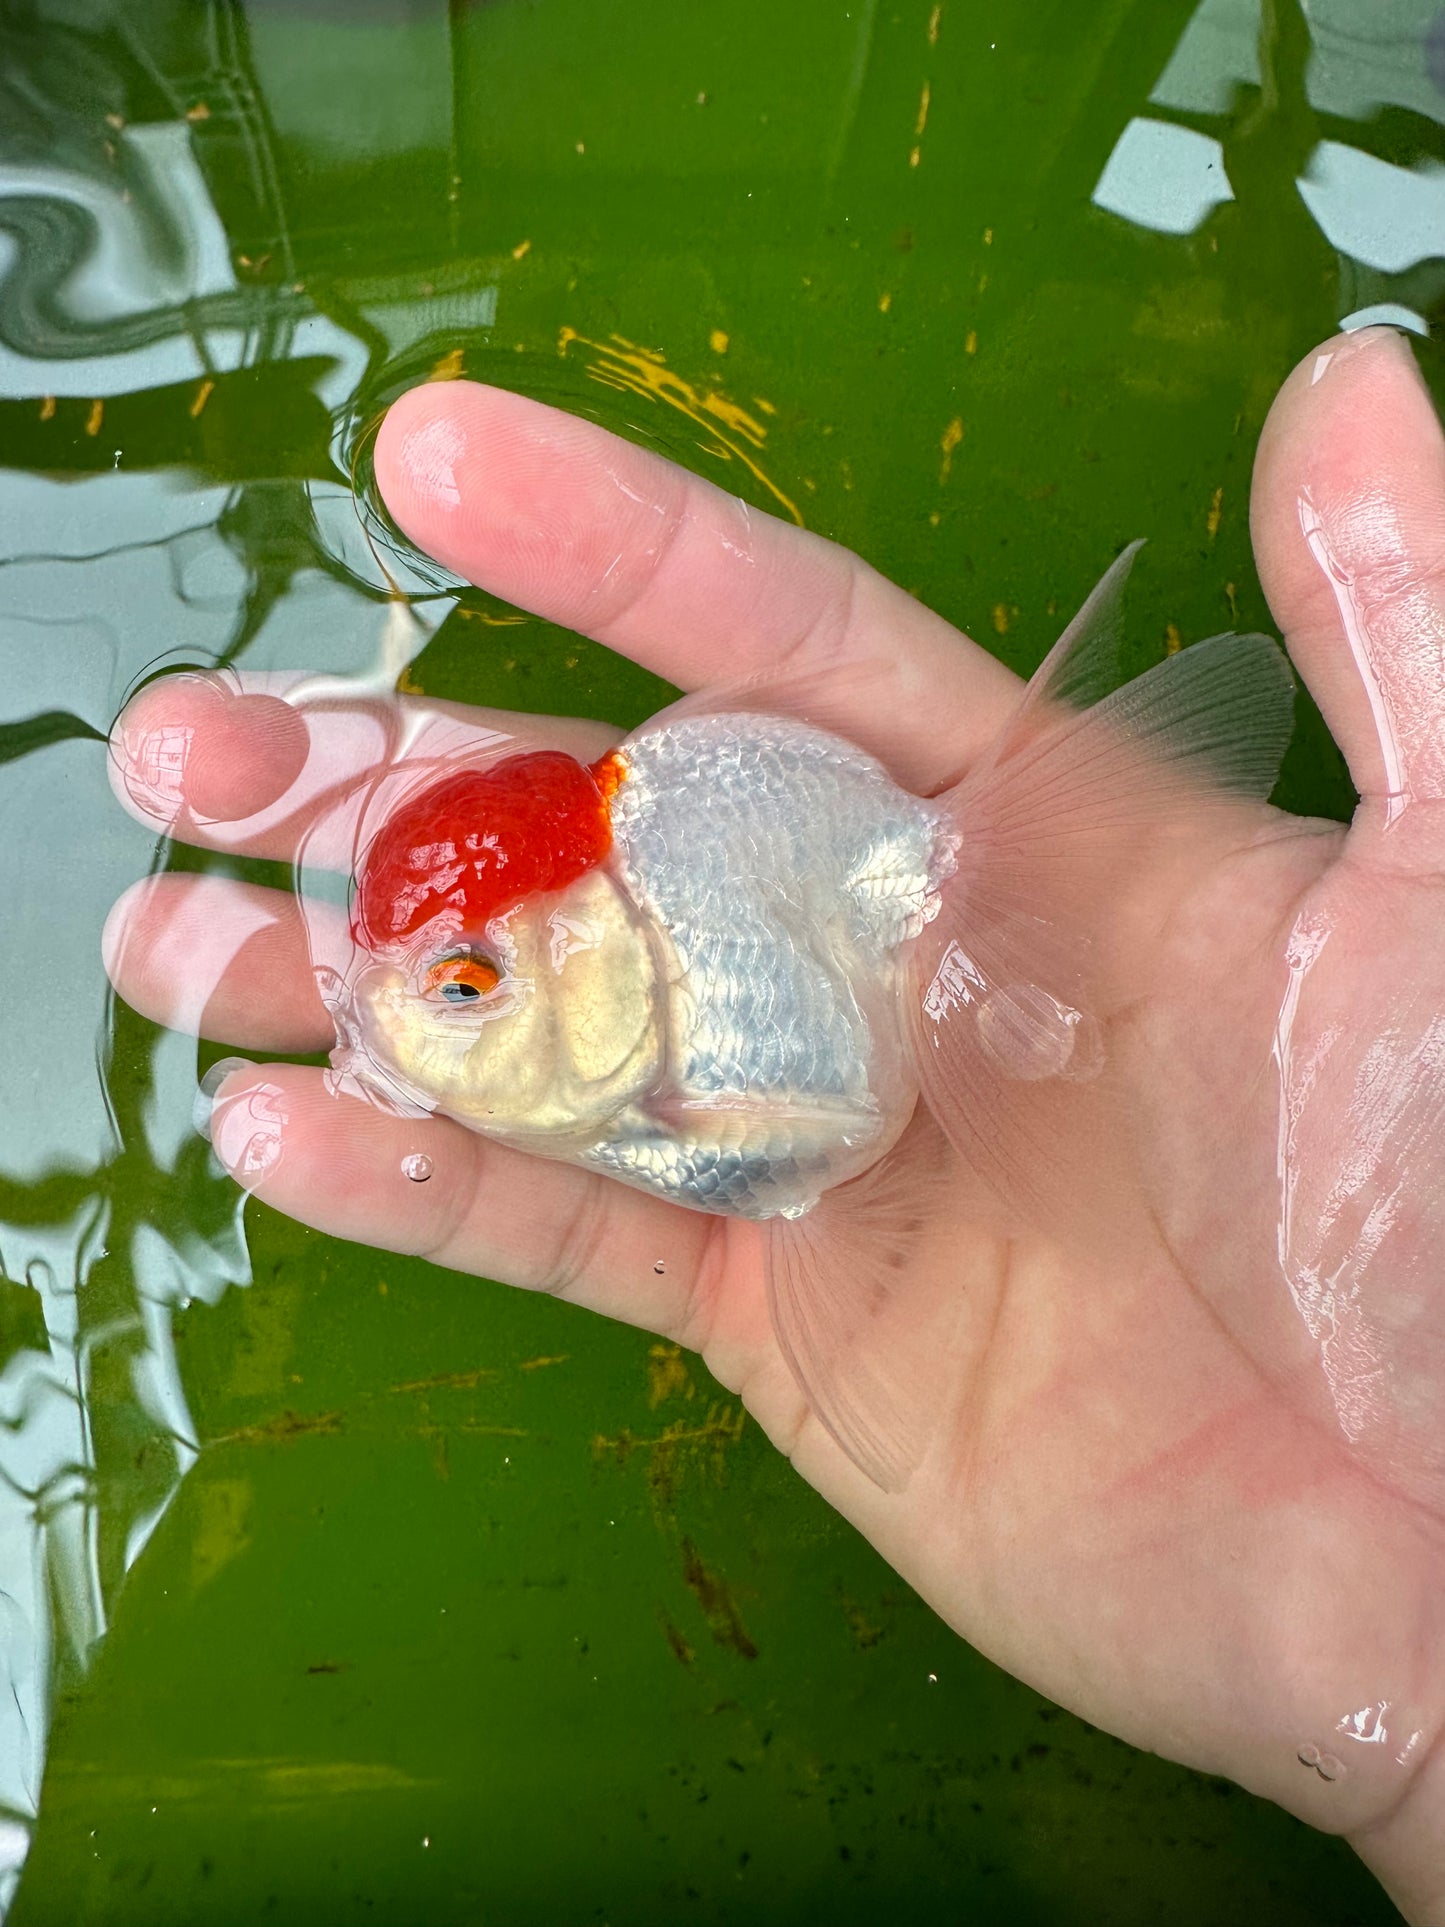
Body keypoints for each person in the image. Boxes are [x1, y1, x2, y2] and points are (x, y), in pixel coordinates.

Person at [102, 327, 1445, 1922]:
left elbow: (801, 1133)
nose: (413, 1028)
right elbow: (796, 1173)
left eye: (464, 987)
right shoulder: (634, 1049)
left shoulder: (713, 954)